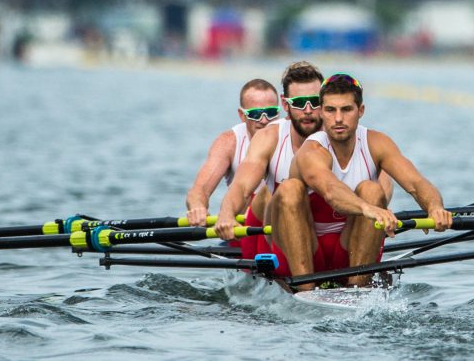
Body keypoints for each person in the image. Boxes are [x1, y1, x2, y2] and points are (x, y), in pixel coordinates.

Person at [268, 72, 452, 290]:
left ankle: (357, 289)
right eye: (330, 110)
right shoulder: (313, 150)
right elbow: (330, 189)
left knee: (372, 190)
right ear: (321, 112)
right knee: (289, 189)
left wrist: (435, 207)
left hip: (350, 248)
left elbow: (417, 183)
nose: (338, 119)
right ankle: (305, 290)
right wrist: (368, 209)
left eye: (346, 110)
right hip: (304, 249)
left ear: (360, 111)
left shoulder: (377, 143)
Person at [212, 61, 326, 245]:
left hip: (325, 233)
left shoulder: (341, 132)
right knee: (271, 192)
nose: (307, 110)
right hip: (274, 236)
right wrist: (226, 214)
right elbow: (241, 187)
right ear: (285, 104)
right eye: (298, 103)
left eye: (314, 102)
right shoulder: (269, 137)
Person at [184, 78, 280, 228]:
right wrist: (198, 207)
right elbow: (199, 190)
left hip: (280, 229)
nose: (264, 120)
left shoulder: (292, 134)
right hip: (241, 234)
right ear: (242, 115)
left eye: (271, 112)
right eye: (255, 114)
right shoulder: (229, 142)